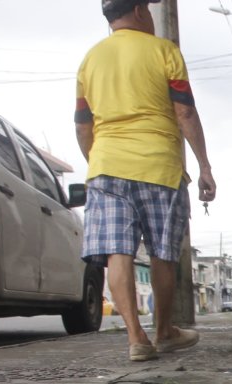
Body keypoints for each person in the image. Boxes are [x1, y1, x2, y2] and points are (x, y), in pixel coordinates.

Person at [74, 0, 216, 362]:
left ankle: (136, 338)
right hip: (158, 167)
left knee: (117, 252)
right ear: (139, 11)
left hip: (106, 167)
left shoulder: (90, 60)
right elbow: (184, 110)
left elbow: (82, 124)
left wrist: (97, 161)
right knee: (161, 255)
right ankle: (165, 331)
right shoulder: (164, 51)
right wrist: (204, 166)